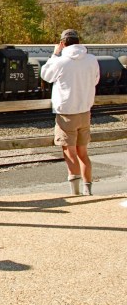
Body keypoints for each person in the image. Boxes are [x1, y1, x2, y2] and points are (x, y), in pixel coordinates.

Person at [40, 29, 100, 196]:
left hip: (67, 113)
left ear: (62, 43)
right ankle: (88, 189)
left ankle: (75, 193)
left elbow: (45, 75)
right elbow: (95, 80)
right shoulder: (92, 59)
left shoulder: (61, 61)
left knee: (69, 152)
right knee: (83, 153)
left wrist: (54, 55)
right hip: (85, 111)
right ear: (79, 41)